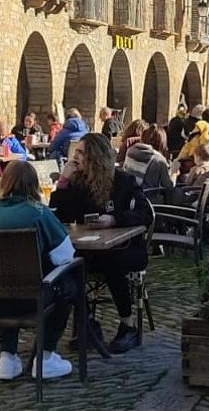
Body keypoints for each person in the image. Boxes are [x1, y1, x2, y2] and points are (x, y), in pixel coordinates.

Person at [0, 161, 78, 380]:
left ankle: (7, 357)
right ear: (34, 184)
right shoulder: (39, 213)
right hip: (28, 299)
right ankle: (46, 355)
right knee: (67, 283)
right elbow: (65, 255)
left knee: (4, 279)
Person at [50, 133, 153, 354]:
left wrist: (115, 219)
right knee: (69, 264)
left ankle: (128, 325)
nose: (75, 157)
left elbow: (145, 214)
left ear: (94, 156)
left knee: (111, 261)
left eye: (80, 152)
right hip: (91, 248)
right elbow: (59, 216)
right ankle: (88, 324)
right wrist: (63, 181)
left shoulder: (123, 181)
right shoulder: (79, 183)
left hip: (128, 248)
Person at [121, 126, 175, 202]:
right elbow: (168, 186)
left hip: (128, 197)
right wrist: (174, 174)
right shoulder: (159, 160)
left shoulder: (130, 151)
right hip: (149, 201)